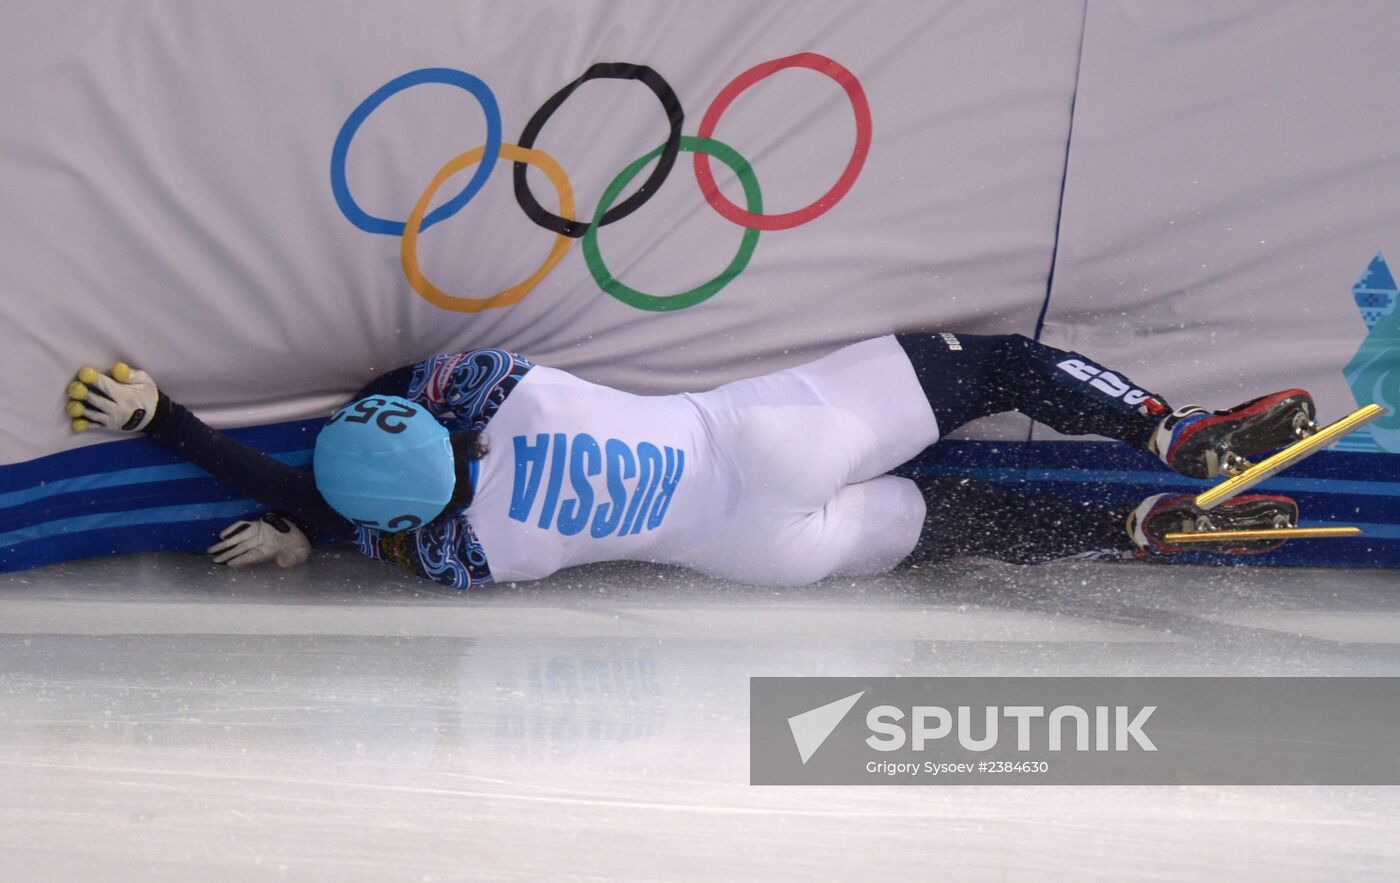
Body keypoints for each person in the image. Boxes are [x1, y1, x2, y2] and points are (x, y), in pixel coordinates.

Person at [62, 333, 1312, 588]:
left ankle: (1135, 526)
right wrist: (176, 404)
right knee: (984, 369)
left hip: (756, 551)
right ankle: (1172, 432)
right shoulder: (487, 385)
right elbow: (383, 413)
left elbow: (338, 513)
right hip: (760, 432)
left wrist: (168, 431)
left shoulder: (461, 554)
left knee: (956, 520)